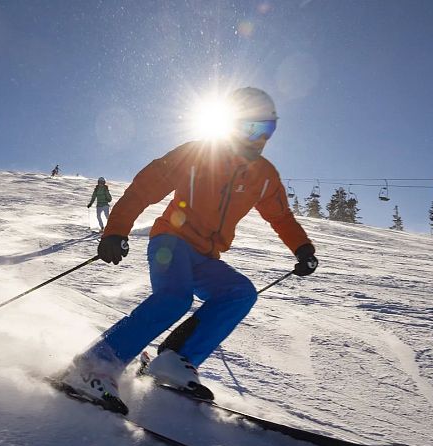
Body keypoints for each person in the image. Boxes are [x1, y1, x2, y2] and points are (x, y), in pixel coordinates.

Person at [60, 87, 318, 413]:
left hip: (207, 256)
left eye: (267, 129)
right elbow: (144, 188)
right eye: (251, 127)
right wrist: (115, 230)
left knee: (240, 293)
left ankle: (172, 362)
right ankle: (92, 366)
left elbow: (280, 215)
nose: (258, 139)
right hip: (171, 241)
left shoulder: (264, 176)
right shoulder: (199, 153)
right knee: (174, 299)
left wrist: (302, 247)